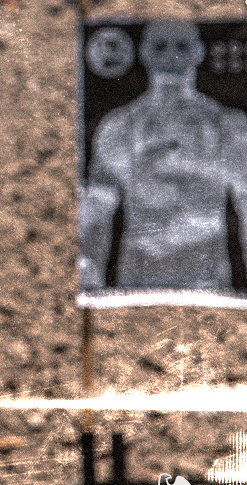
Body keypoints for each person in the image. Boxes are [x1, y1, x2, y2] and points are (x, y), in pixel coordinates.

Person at [79, 19, 247, 289]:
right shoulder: (121, 126)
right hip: (138, 271)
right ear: (144, 52)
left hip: (208, 272)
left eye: (182, 45)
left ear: (199, 51)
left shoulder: (227, 125)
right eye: (160, 46)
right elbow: (98, 203)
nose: (172, 55)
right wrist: (88, 264)